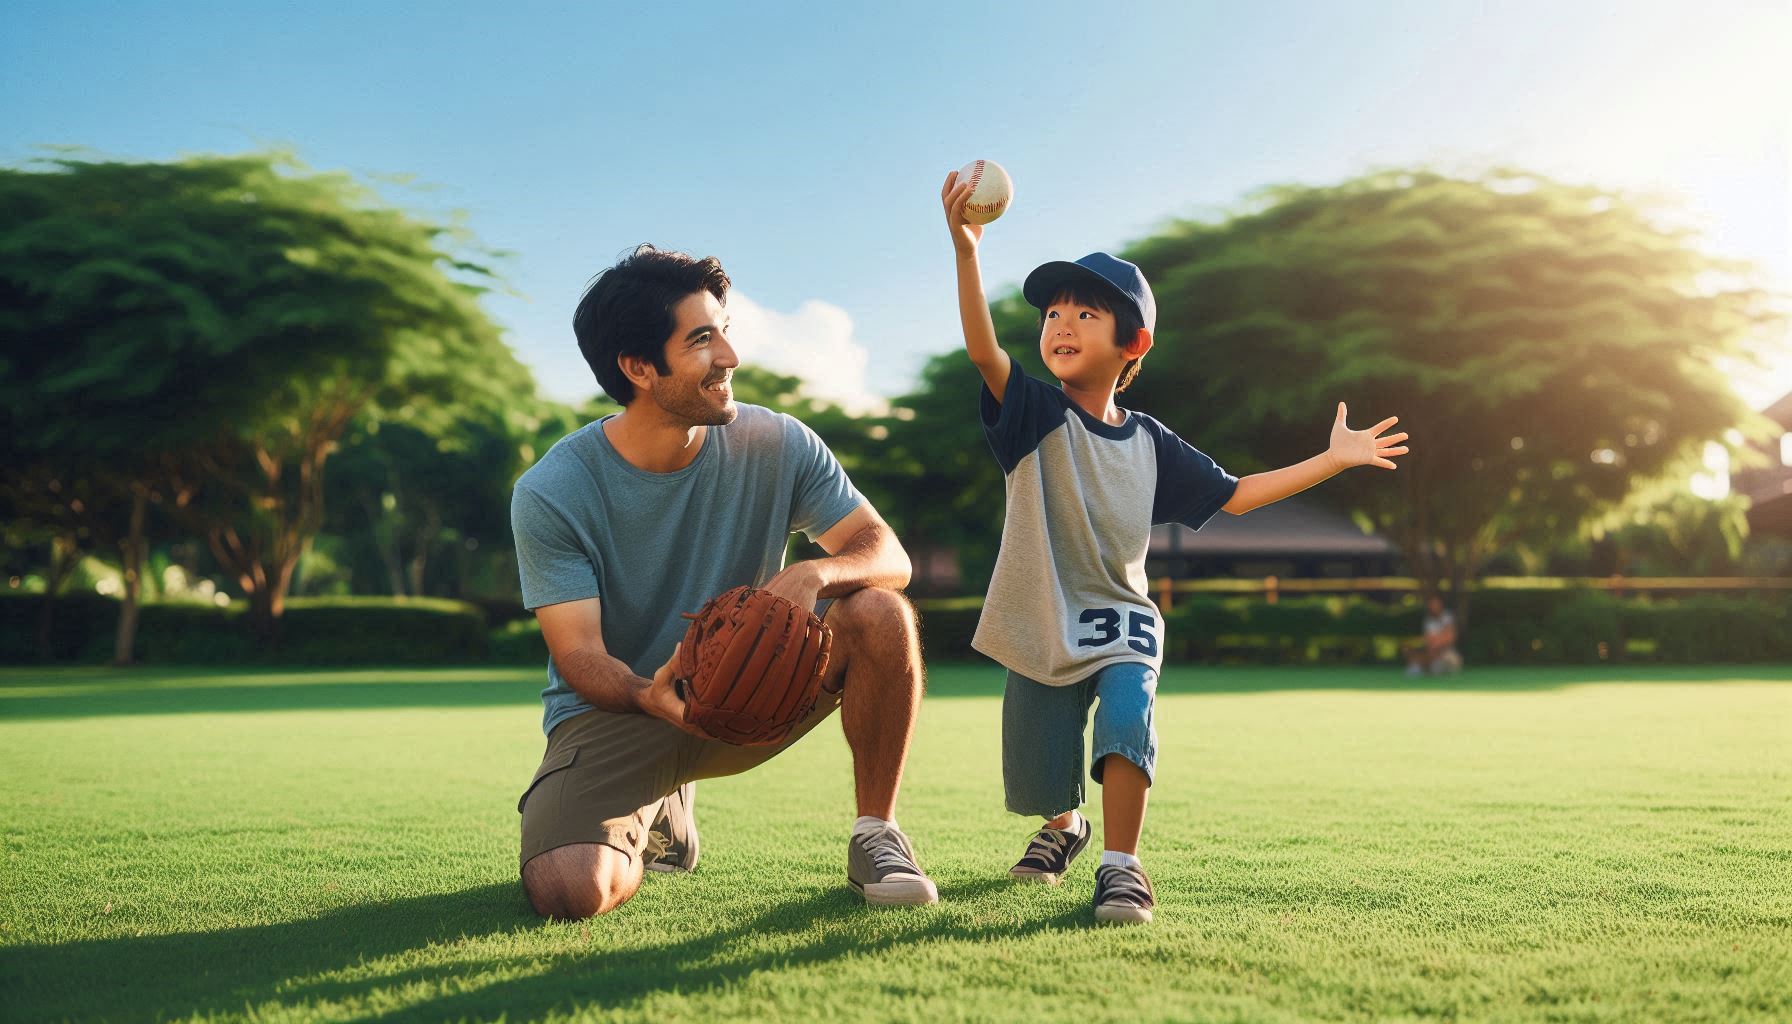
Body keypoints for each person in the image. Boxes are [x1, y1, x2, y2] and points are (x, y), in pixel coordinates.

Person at [940, 171, 1410, 924]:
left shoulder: (1151, 441)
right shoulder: (1031, 414)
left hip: (1121, 619)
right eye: (1053, 313)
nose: (1060, 324)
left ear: (1134, 342)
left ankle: (1122, 868)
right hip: (1041, 615)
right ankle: (1066, 827)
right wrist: (967, 253)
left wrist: (1333, 459)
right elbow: (983, 352)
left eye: (1084, 313)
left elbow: (1236, 493)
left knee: (1127, 720)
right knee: (1036, 781)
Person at [510, 244, 937, 919]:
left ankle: (875, 836)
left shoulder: (779, 442)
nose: (731, 357)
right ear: (639, 368)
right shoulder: (554, 491)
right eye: (703, 339)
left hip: (754, 688)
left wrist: (813, 572)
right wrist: (650, 696)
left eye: (725, 332)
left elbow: (886, 552)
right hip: (625, 709)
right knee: (570, 891)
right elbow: (581, 657)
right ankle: (658, 810)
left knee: (881, 610)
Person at [1406, 595, 1463, 676]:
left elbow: (1450, 637)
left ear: (1441, 605)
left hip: (1447, 652)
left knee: (1452, 662)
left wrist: (1438, 641)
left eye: (1436, 604)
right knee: (1424, 657)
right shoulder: (1428, 621)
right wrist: (1438, 640)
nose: (1434, 607)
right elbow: (1429, 639)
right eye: (1432, 605)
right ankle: (1420, 667)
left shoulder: (1448, 617)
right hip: (1432, 651)